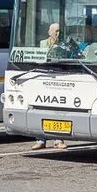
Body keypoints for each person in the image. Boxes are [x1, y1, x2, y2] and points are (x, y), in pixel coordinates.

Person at [33, 23, 67, 151]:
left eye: (60, 32)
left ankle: (58, 140)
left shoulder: (64, 45)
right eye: (56, 31)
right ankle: (40, 140)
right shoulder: (43, 43)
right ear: (50, 32)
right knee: (41, 109)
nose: (58, 34)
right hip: (44, 79)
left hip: (59, 79)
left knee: (58, 111)